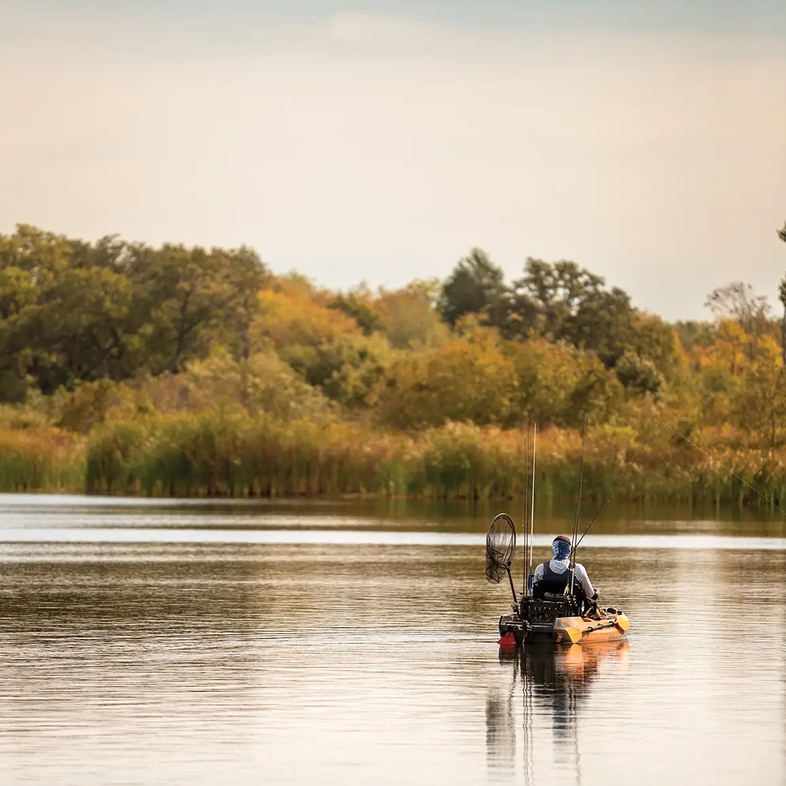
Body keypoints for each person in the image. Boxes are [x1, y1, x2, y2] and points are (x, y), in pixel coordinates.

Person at [532, 535, 598, 603]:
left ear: (553, 549)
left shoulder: (540, 568)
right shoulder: (578, 568)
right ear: (569, 549)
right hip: (573, 612)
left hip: (544, 611)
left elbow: (535, 593)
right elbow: (590, 595)